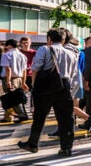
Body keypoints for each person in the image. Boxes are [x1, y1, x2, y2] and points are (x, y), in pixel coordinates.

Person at [17, 28, 78, 156]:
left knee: (40, 116)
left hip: (46, 86)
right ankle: (66, 147)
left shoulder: (44, 49)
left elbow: (35, 68)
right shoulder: (71, 53)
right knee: (66, 118)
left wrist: (34, 84)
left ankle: (33, 144)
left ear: (49, 39)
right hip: (64, 86)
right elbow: (73, 73)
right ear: (63, 40)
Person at [0, 39, 28, 122]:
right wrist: (23, 82)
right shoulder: (23, 56)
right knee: (14, 97)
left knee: (13, 98)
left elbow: (8, 69)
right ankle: (7, 117)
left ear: (10, 45)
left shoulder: (6, 54)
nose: (5, 47)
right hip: (19, 78)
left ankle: (22, 115)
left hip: (10, 78)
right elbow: (24, 70)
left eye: (6, 45)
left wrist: (8, 81)